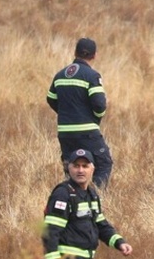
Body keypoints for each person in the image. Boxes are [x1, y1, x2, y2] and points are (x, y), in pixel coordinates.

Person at [42, 148, 133, 259]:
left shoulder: (91, 194)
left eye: (85, 166)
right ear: (68, 168)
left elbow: (101, 225)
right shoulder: (63, 194)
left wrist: (119, 242)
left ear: (93, 169)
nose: (80, 170)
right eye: (76, 166)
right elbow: (51, 232)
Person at [47, 37, 114, 188]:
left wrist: (65, 113)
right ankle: (94, 198)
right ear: (94, 55)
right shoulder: (92, 76)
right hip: (87, 131)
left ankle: (72, 198)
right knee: (103, 163)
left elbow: (51, 98)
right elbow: (99, 104)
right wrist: (95, 118)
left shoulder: (60, 75)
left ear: (75, 53)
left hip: (65, 132)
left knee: (73, 167)